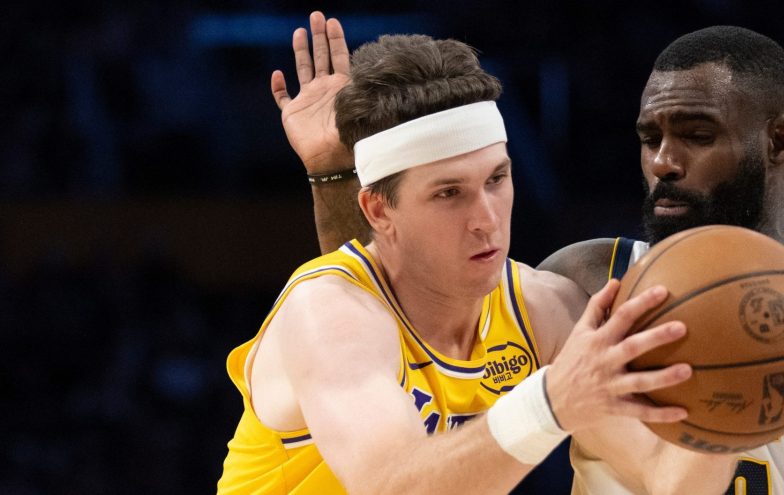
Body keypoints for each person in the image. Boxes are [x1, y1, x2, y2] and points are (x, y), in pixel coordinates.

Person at [283, 15, 784, 495]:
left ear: (778, 141)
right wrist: (337, 177)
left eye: (696, 135)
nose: (664, 162)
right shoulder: (584, 282)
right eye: (650, 139)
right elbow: (390, 312)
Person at [216, 15, 728, 494]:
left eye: (496, 179)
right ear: (377, 209)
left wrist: (728, 389)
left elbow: (671, 480)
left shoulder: (542, 307)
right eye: (449, 193)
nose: (486, 218)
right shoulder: (325, 315)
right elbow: (395, 486)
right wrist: (551, 403)